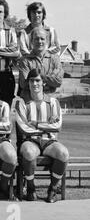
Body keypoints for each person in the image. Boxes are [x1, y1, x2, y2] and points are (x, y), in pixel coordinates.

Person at [14, 69, 69, 203]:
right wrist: (46, 126)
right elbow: (23, 128)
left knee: (63, 153)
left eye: (38, 80)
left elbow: (57, 126)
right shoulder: (21, 102)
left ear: (44, 83)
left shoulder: (53, 102)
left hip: (49, 142)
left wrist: (36, 124)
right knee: (28, 152)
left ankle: (53, 189)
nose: (35, 83)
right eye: (32, 80)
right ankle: (31, 189)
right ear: (28, 83)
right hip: (30, 141)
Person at [17, 27, 63, 99]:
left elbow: (58, 81)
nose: (39, 41)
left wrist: (36, 77)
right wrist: (49, 80)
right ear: (31, 41)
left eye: (42, 39)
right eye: (36, 39)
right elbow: (24, 84)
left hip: (49, 100)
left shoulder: (55, 59)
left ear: (47, 41)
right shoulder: (24, 60)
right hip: (30, 100)